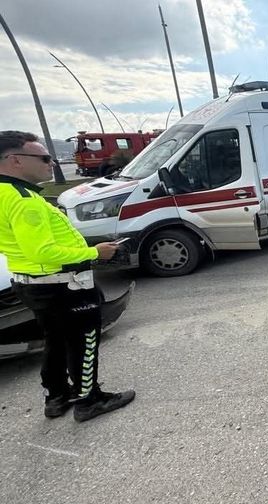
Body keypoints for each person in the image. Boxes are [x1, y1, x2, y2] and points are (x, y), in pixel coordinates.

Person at [0, 131, 135, 422]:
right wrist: (94, 253)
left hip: (30, 282)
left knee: (56, 340)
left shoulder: (5, 194)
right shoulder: (25, 201)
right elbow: (43, 251)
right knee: (84, 341)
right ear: (14, 160)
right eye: (44, 158)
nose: (51, 163)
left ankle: (56, 397)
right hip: (62, 284)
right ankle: (89, 401)